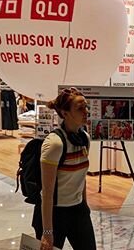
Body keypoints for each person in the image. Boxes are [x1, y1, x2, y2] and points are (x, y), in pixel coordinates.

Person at [33, 87, 95, 250]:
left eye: (86, 106)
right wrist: (47, 232)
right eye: (80, 108)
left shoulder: (84, 138)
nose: (86, 111)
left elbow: (82, 177)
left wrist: (85, 206)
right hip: (54, 214)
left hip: (78, 210)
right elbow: (46, 193)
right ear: (65, 113)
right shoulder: (55, 143)